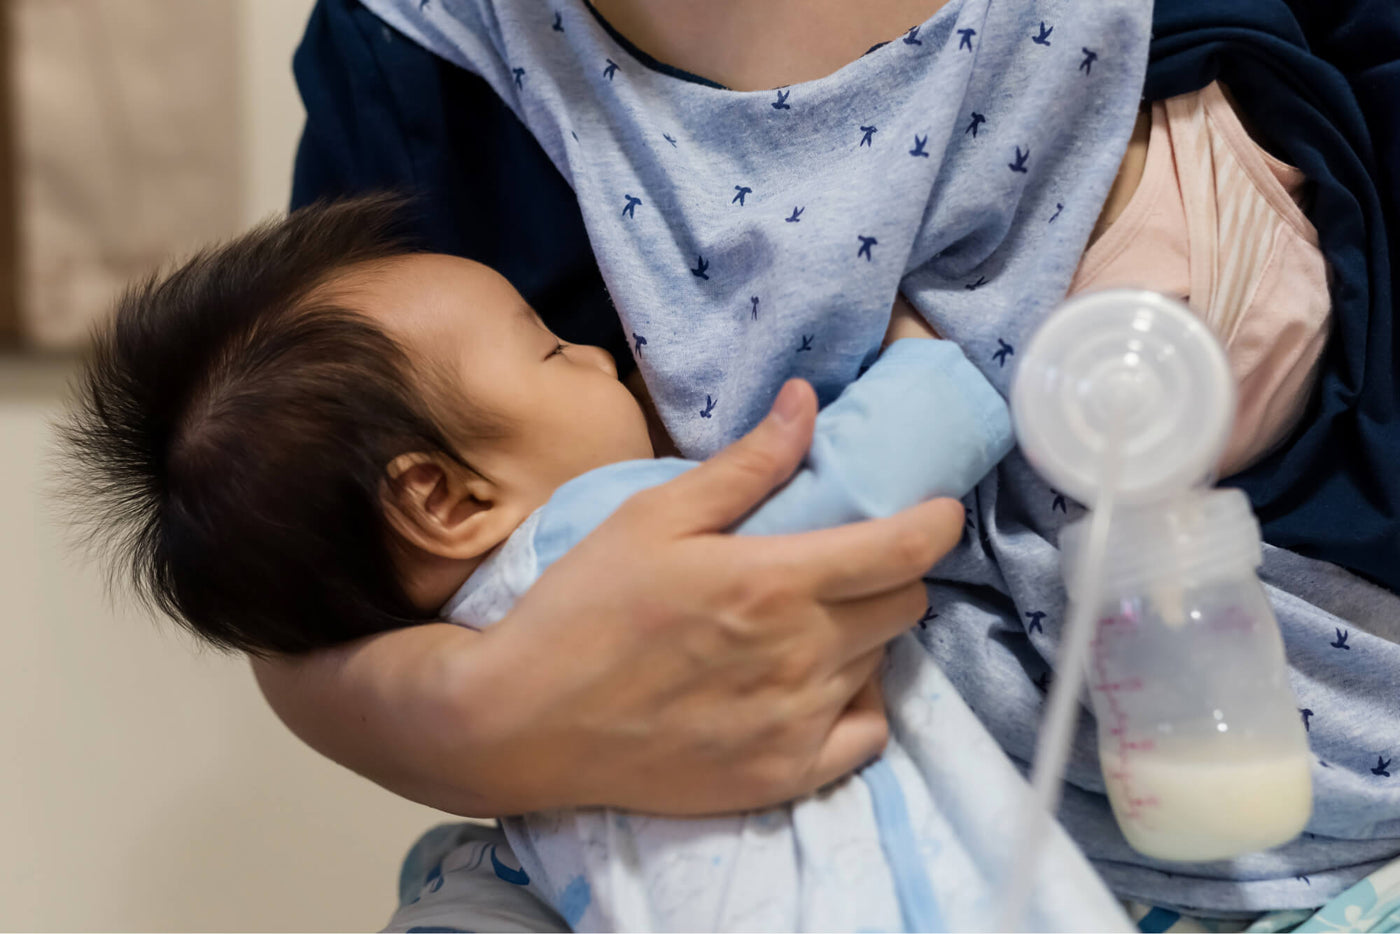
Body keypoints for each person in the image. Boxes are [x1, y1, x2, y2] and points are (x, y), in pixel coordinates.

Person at [260, 0, 1400, 927]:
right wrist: (470, 712)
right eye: (565, 349)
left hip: (1317, 833)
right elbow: (308, 576)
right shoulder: (417, 65)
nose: (609, 373)